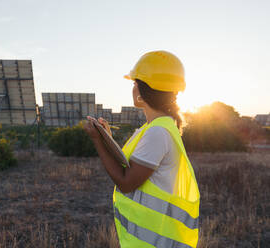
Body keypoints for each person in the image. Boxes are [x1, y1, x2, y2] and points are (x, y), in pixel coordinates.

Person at [84, 51, 200, 248]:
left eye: (134, 83)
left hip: (154, 243)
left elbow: (126, 182)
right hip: (156, 239)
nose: (132, 88)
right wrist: (107, 139)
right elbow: (130, 164)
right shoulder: (157, 128)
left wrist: (97, 140)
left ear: (142, 90)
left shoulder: (157, 133)